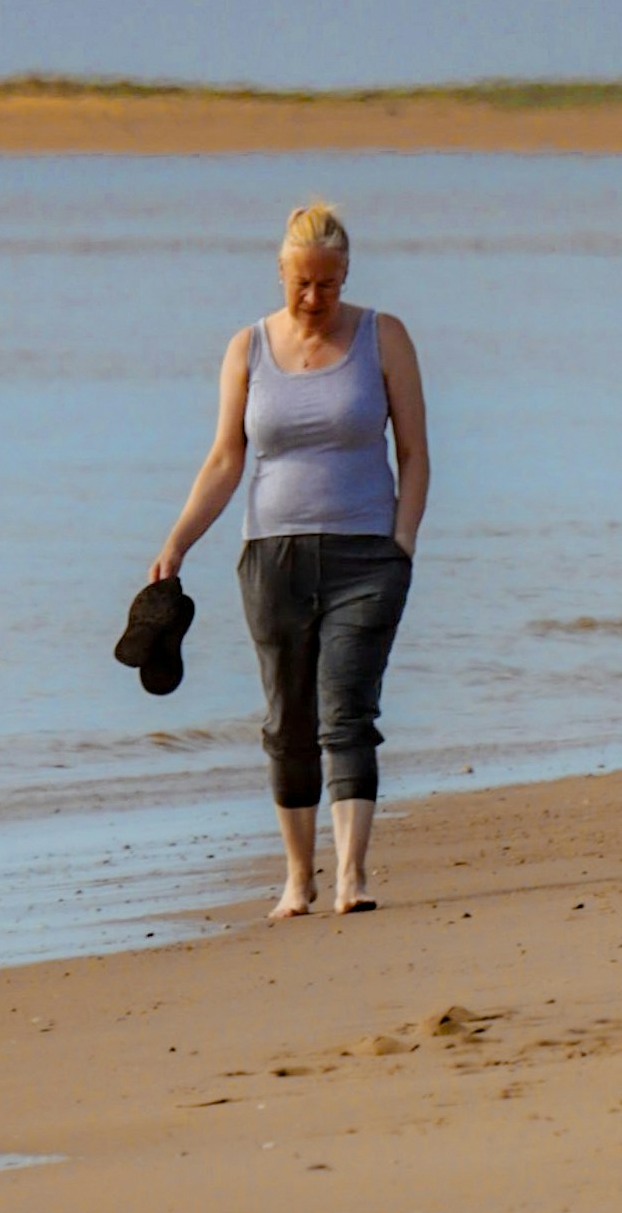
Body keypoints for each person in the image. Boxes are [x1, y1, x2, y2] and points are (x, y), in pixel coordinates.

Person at [149, 203, 431, 918]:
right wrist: (178, 540)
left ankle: (353, 876)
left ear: (346, 276)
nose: (313, 299)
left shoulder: (384, 336)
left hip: (367, 556)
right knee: (288, 719)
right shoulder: (247, 348)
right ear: (281, 273)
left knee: (348, 709)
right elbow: (224, 459)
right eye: (301, 284)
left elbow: (416, 455)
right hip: (270, 560)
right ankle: (298, 878)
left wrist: (402, 546)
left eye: (328, 285)